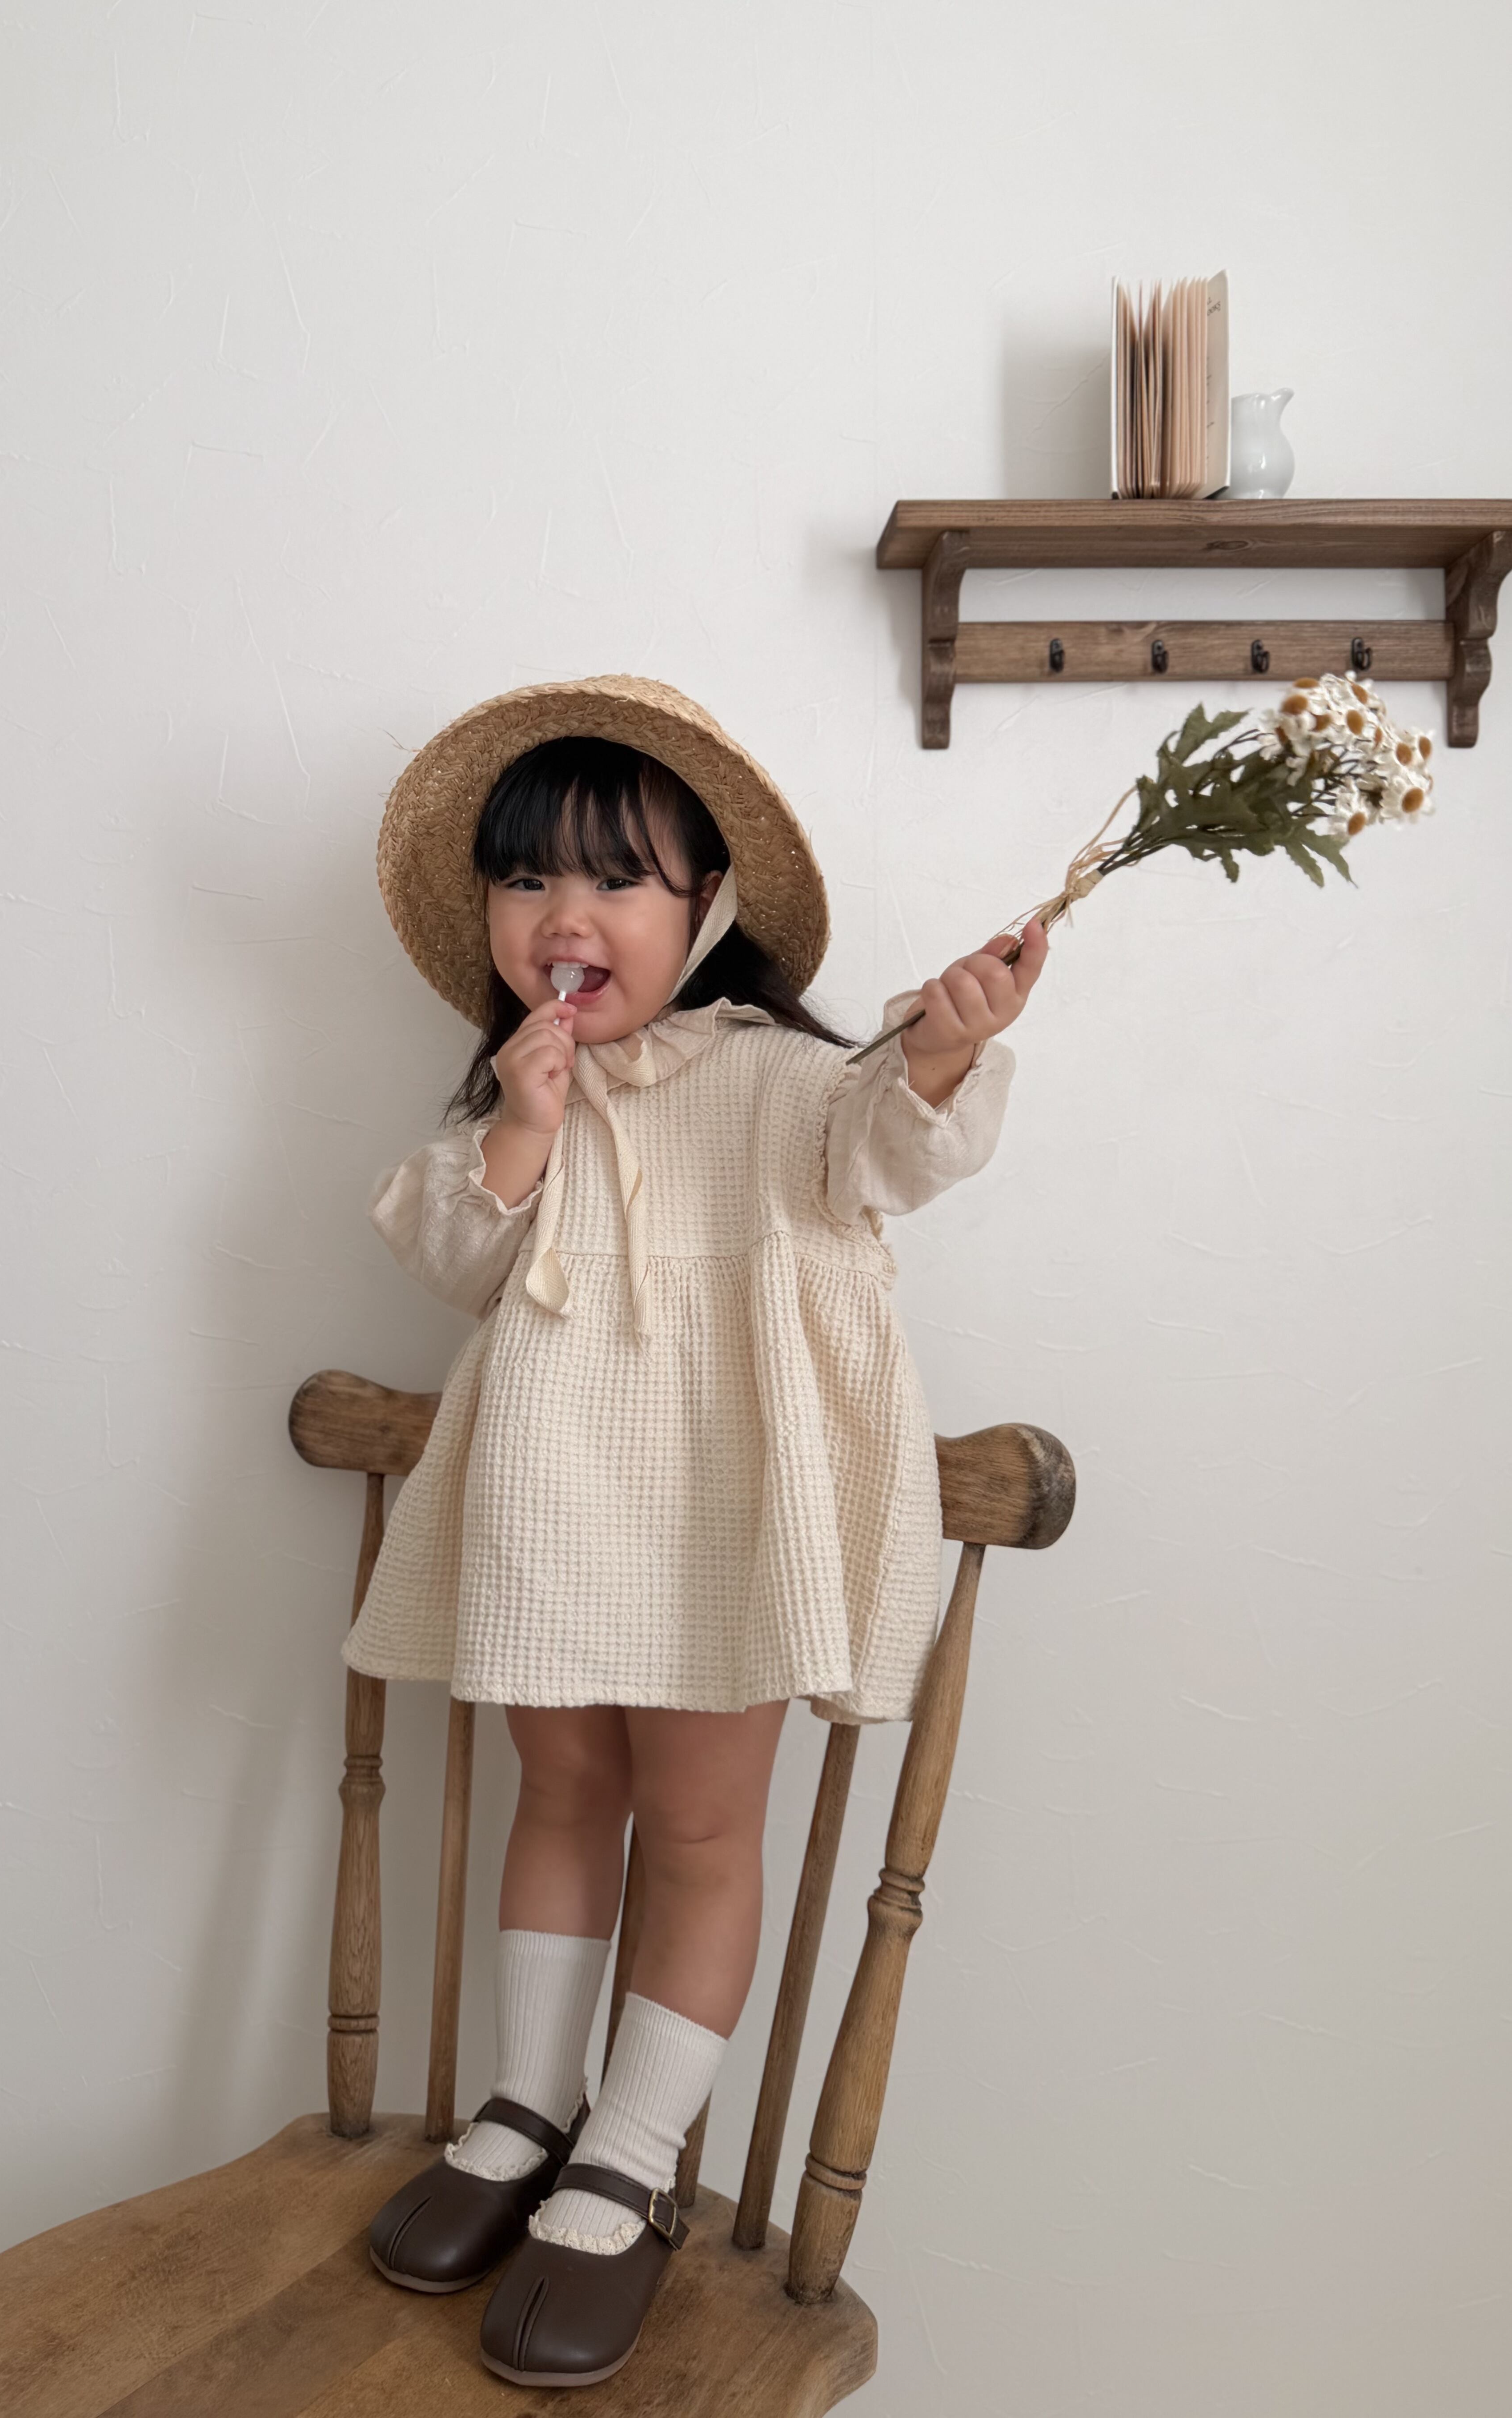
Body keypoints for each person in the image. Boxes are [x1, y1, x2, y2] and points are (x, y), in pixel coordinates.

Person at [345, 675, 1046, 2388]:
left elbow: (889, 1143)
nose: (563, 914)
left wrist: (939, 1046)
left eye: (617, 878)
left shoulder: (783, 1082)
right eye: (526, 879)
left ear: (710, 905)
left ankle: (633, 2154)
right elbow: (454, 1262)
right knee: (560, 1792)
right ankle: (529, 2104)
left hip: (728, 1519)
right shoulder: (518, 1093)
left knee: (704, 1827)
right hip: (553, 1512)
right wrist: (524, 1125)